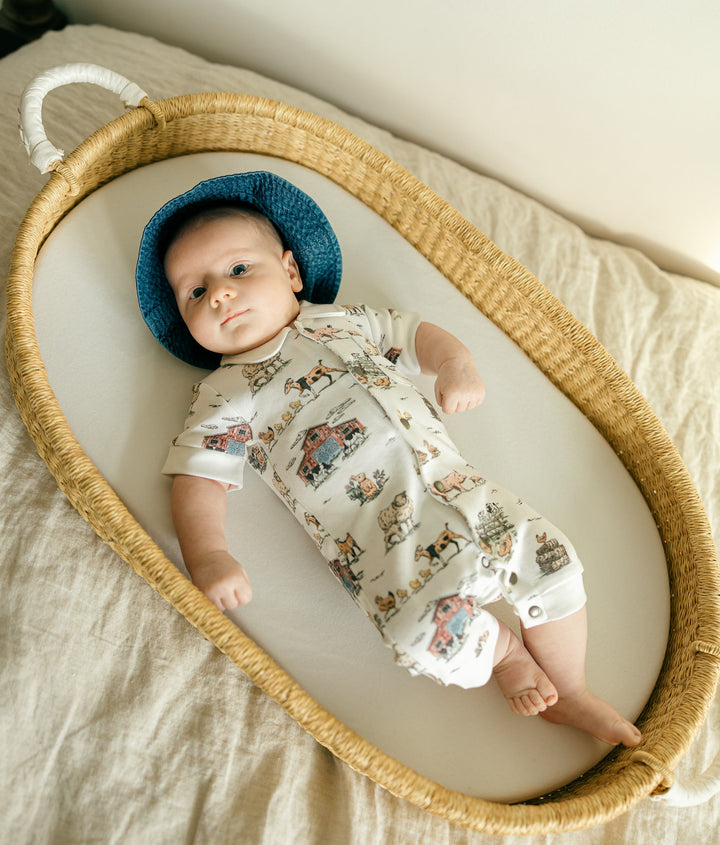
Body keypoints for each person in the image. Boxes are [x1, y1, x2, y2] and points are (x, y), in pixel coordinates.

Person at [136, 171, 641, 747]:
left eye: (238, 270)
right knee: (420, 632)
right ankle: (503, 656)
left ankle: (571, 690)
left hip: (462, 489)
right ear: (186, 322)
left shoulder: (345, 320)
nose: (220, 292)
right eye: (196, 293)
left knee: (551, 559)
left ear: (292, 271)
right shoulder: (227, 394)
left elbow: (416, 332)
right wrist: (209, 555)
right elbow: (198, 475)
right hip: (383, 544)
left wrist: (455, 365)